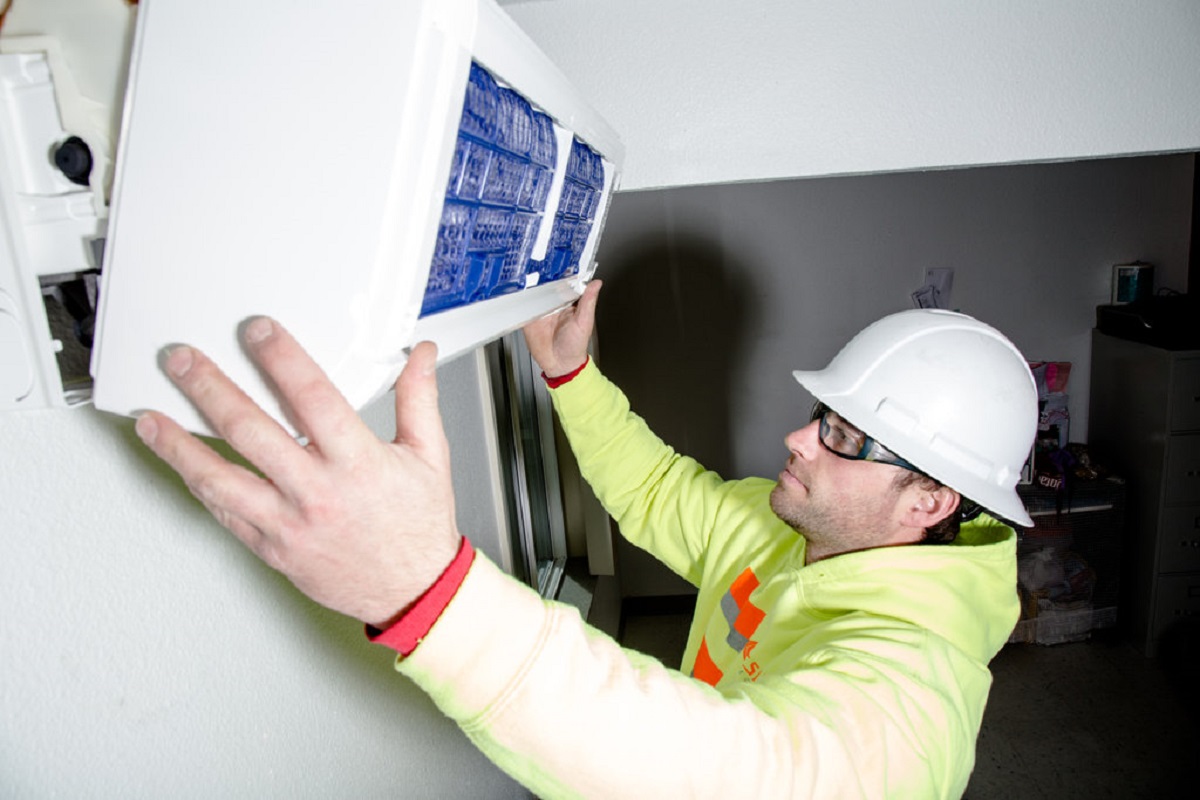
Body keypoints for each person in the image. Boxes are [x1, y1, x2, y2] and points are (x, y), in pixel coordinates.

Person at [135, 280, 1037, 798]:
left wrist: (429, 595)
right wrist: (568, 371)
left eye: (844, 439)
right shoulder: (781, 527)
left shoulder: (920, 674)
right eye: (819, 416)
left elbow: (755, 779)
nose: (797, 441)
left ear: (927, 503)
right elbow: (652, 489)